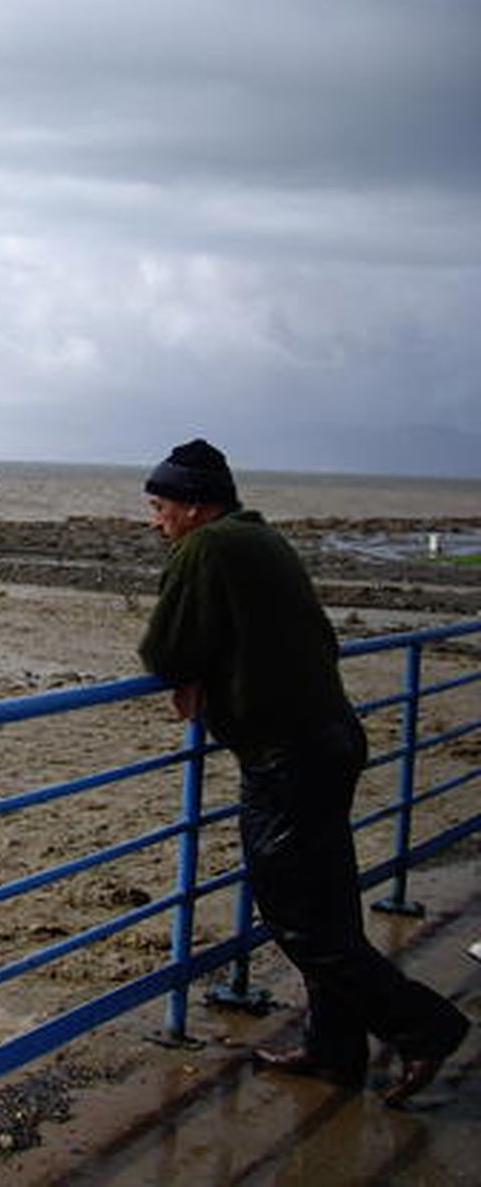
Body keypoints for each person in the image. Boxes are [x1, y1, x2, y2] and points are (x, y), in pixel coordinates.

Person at [136, 438, 470, 1106]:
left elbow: (164, 651)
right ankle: (334, 1050)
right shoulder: (260, 539)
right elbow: (309, 637)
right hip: (329, 739)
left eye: (161, 506)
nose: (155, 521)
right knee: (328, 907)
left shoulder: (205, 548)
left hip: (285, 755)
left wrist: (190, 670)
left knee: (298, 918)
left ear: (195, 507)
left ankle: (426, 1026)